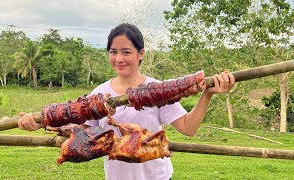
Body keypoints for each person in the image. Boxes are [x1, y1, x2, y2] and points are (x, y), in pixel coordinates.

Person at [18, 23, 235, 180]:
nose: (119, 59)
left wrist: (207, 94)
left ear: (141, 54)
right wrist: (42, 122)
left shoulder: (157, 90)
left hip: (157, 177)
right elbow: (79, 132)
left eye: (126, 52)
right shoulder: (100, 94)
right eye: (113, 52)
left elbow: (188, 128)